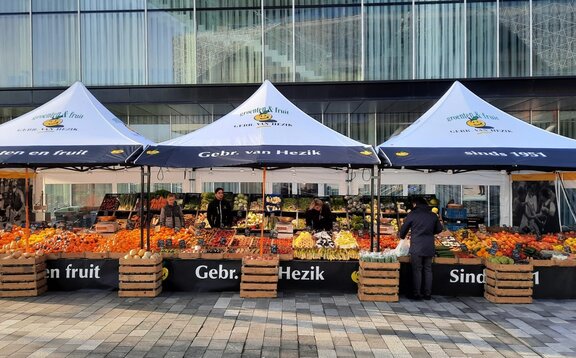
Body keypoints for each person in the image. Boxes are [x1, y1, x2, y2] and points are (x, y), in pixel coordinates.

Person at [398, 196, 443, 300]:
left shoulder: (413, 214)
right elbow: (439, 229)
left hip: (417, 246)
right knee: (428, 269)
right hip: (429, 246)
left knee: (417, 269)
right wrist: (430, 232)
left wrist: (402, 236)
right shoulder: (432, 215)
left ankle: (417, 294)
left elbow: (404, 229)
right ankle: (427, 294)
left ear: (415, 204)